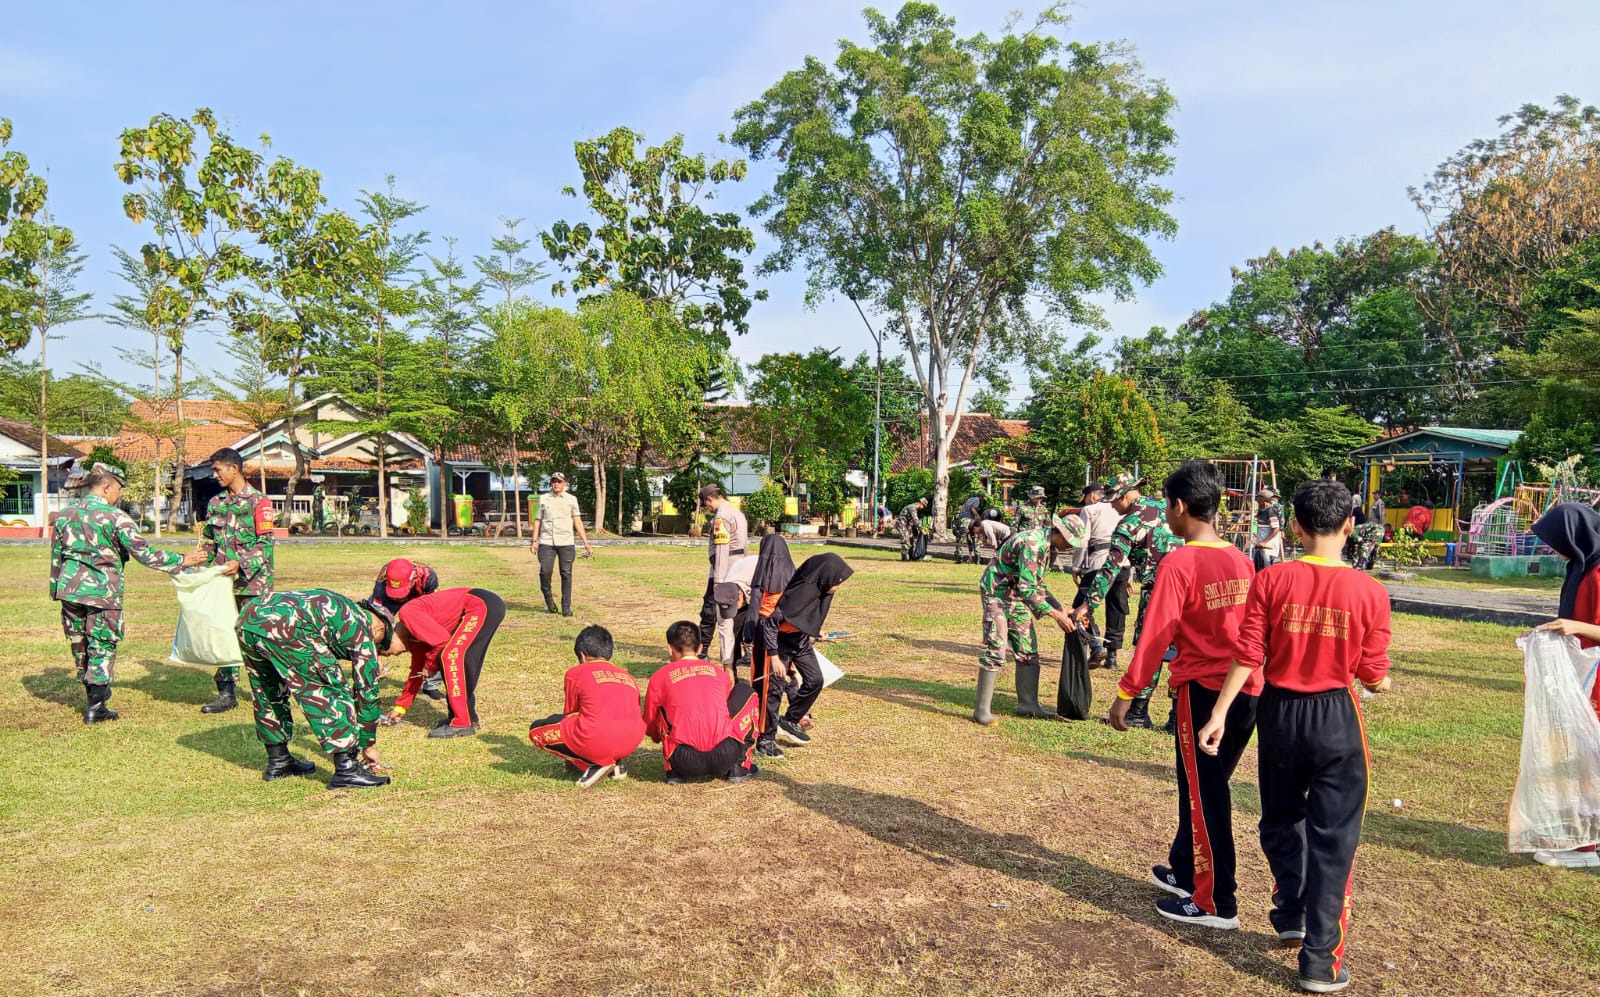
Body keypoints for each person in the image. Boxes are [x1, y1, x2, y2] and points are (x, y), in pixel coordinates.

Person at [1197, 479, 1393, 994]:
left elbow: (1248, 652)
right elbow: (1373, 674)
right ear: (1351, 526)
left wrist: (1219, 713)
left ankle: (1290, 912)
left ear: (1294, 527)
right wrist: (1379, 680)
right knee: (1334, 841)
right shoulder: (1371, 592)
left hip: (1278, 715)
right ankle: (1319, 961)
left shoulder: (1272, 579)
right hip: (1336, 718)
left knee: (1281, 817)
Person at [1107, 461, 1260, 931]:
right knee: (1199, 788)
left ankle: (1217, 901)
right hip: (1246, 691)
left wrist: (1127, 694)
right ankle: (1184, 868)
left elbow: (1155, 636)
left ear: (1178, 506)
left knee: (1206, 796)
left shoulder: (1179, 562)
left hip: (1205, 693)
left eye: (1165, 503)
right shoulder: (1241, 559)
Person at [49, 463, 207, 723]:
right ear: (107, 486)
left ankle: (92, 693)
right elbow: (144, 553)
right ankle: (96, 706)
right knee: (102, 643)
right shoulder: (115, 517)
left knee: (79, 643)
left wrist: (55, 589)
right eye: (119, 489)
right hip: (102, 592)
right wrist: (182, 561)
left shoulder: (65, 514)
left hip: (69, 591)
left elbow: (57, 556)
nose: (119, 495)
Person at [237, 590, 403, 789]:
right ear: (379, 630)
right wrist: (368, 744)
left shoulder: (340, 607)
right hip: (286, 624)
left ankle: (279, 760)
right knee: (330, 688)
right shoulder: (363, 626)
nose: (375, 650)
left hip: (248, 619)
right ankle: (347, 769)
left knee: (268, 690)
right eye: (378, 646)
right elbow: (367, 690)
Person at [1072, 472, 1184, 728]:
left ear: (1124, 496)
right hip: (1186, 590)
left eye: (1112, 500)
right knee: (1182, 651)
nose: (1111, 505)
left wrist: (1087, 604)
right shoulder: (1167, 508)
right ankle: (1177, 715)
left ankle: (1138, 711)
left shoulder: (1129, 524)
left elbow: (1110, 569)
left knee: (1150, 648)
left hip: (1157, 593)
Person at [1527, 502, 1600, 869]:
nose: (1551, 548)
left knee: (1588, 757)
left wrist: (1573, 627)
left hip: (1596, 680)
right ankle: (1580, 835)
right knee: (1576, 755)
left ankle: (1586, 847)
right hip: (1582, 674)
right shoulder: (1580, 567)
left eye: (1554, 540)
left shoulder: (1599, 574)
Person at [973, 514, 1086, 725]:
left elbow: (1036, 584)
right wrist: (1056, 616)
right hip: (996, 593)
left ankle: (1028, 704)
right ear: (1060, 533)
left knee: (1027, 649)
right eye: (1070, 542)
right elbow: (1027, 589)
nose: (1069, 547)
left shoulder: (1047, 547)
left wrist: (1060, 607)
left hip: (1017, 595)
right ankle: (981, 711)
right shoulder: (1033, 544)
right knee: (996, 647)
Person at [197, 446, 276, 715]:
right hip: (223, 584)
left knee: (255, 636)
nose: (214, 474)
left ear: (234, 468)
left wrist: (240, 564)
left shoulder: (258, 502)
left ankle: (266, 690)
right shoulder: (216, 503)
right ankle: (226, 692)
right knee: (223, 634)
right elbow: (209, 540)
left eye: (218, 469)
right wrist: (202, 562)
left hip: (253, 584)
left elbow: (266, 544)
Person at [529, 625, 647, 787]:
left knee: (536, 729)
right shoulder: (627, 676)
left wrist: (570, 760)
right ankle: (614, 763)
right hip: (632, 740)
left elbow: (570, 713)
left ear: (582, 656)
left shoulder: (575, 673)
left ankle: (597, 764)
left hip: (595, 736)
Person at [380, 586, 507, 737]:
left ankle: (462, 723)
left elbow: (442, 641)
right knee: (458, 661)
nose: (395, 655)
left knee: (449, 656)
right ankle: (466, 717)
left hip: (481, 604)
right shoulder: (415, 641)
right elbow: (416, 675)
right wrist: (400, 708)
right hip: (483, 606)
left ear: (389, 637)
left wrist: (430, 666)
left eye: (387, 653)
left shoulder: (408, 614)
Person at [643, 621, 760, 783]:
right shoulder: (719, 674)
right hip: (725, 754)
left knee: (662, 709)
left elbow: (649, 720)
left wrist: (656, 737)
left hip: (682, 758)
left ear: (670, 649)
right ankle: (740, 765)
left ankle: (674, 772)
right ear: (699, 648)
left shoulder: (659, 677)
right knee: (746, 691)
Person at [761, 553, 854, 748]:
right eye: (838, 580)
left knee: (815, 680)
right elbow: (770, 624)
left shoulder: (821, 590)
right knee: (775, 688)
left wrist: (814, 628)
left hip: (800, 640)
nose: (840, 585)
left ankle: (789, 720)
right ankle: (766, 740)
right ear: (825, 577)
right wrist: (775, 657)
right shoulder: (797, 595)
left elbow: (810, 614)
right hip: (780, 642)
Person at [733, 535, 797, 760]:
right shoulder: (793, 575)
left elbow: (755, 609)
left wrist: (748, 635)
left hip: (766, 638)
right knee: (771, 687)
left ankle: (765, 735)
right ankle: (765, 735)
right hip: (784, 637)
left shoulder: (762, 575)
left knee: (765, 687)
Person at [696, 484, 749, 656]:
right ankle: (743, 650)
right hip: (740, 567)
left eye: (706, 505)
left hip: (724, 569)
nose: (708, 508)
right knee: (740, 609)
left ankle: (701, 650)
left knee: (710, 610)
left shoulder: (722, 516)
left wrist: (718, 579)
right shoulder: (737, 513)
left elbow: (721, 548)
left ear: (709, 499)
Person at [531, 471, 594, 617]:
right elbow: (538, 520)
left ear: (565, 484)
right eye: (553, 481)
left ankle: (566, 607)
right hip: (547, 541)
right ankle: (549, 601)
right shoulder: (544, 499)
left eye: (559, 481)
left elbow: (577, 521)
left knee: (566, 573)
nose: (556, 484)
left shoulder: (571, 500)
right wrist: (534, 541)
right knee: (545, 572)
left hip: (566, 541)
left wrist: (586, 543)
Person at [1072, 482, 1119, 666]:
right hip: (1121, 563)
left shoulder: (1090, 510)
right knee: (1115, 610)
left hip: (1098, 561)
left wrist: (1076, 566)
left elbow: (1082, 540)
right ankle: (1112, 658)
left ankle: (1095, 645)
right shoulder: (1118, 509)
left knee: (1081, 607)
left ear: (1091, 496)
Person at [1253, 486, 1284, 571]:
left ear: (1263, 500)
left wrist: (1264, 542)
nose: (1256, 501)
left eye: (1258, 499)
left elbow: (1276, 529)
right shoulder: (1262, 510)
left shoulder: (1270, 511)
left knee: (1266, 572)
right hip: (1262, 548)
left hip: (1268, 549)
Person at [955, 493, 984, 564]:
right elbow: (972, 508)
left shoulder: (969, 499)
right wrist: (978, 517)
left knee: (960, 540)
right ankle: (977, 559)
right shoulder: (977, 500)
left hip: (964, 520)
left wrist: (959, 518)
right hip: (970, 521)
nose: (982, 501)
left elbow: (962, 508)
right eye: (983, 499)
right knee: (975, 540)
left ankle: (960, 558)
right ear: (981, 497)